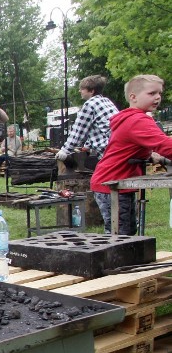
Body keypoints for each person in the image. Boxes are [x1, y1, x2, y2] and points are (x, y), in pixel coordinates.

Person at [90, 75, 172, 235]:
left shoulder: (132, 118)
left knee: (127, 232)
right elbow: (165, 146)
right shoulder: (137, 121)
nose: (157, 97)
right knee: (120, 236)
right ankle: (117, 260)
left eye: (159, 93)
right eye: (151, 93)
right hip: (111, 183)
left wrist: (152, 156)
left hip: (116, 181)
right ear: (133, 97)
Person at [55, 75, 119, 161]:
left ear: (92, 91)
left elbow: (78, 131)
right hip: (118, 145)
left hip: (108, 151)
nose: (79, 91)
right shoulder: (106, 101)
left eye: (82, 89)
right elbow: (99, 128)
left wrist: (64, 151)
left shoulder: (90, 104)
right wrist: (87, 146)